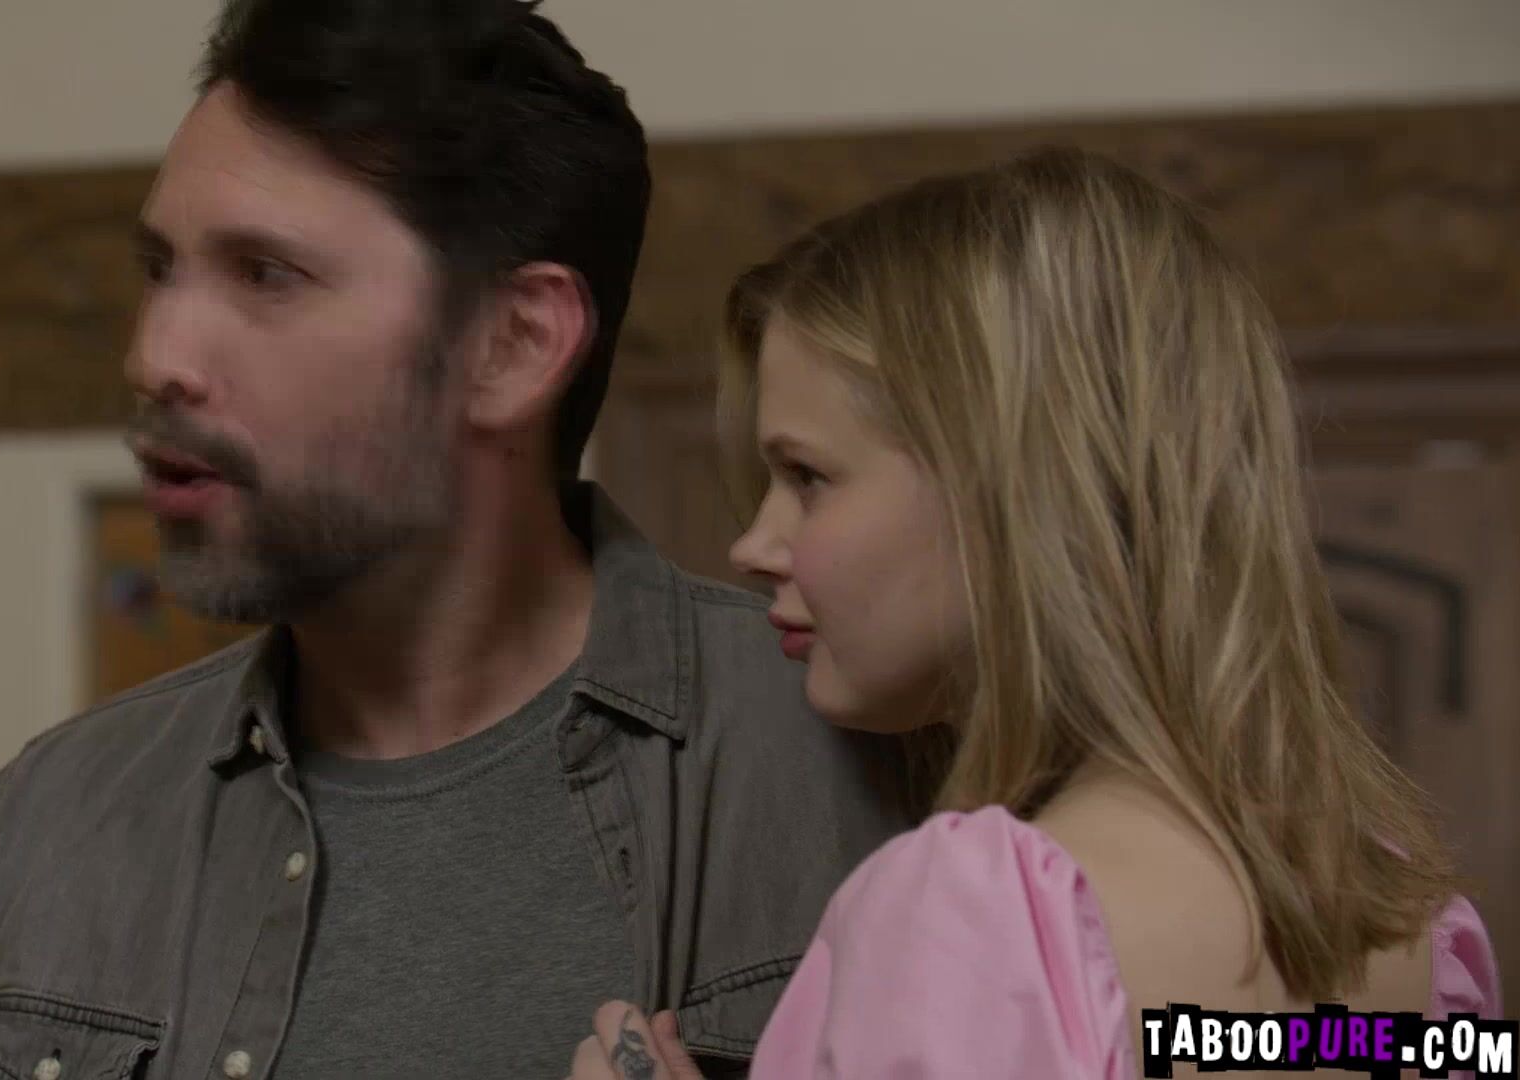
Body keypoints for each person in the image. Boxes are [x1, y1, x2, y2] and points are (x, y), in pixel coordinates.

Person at [0, 1, 917, 1077]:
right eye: (160, 270)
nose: (155, 357)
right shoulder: (45, 823)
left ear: (514, 345)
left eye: (266, 274)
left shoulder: (874, 761)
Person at [569, 148, 1500, 1078]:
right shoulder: (1412, 930)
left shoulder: (974, 917)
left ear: (1011, 494)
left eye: (808, 476)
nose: (755, 545)